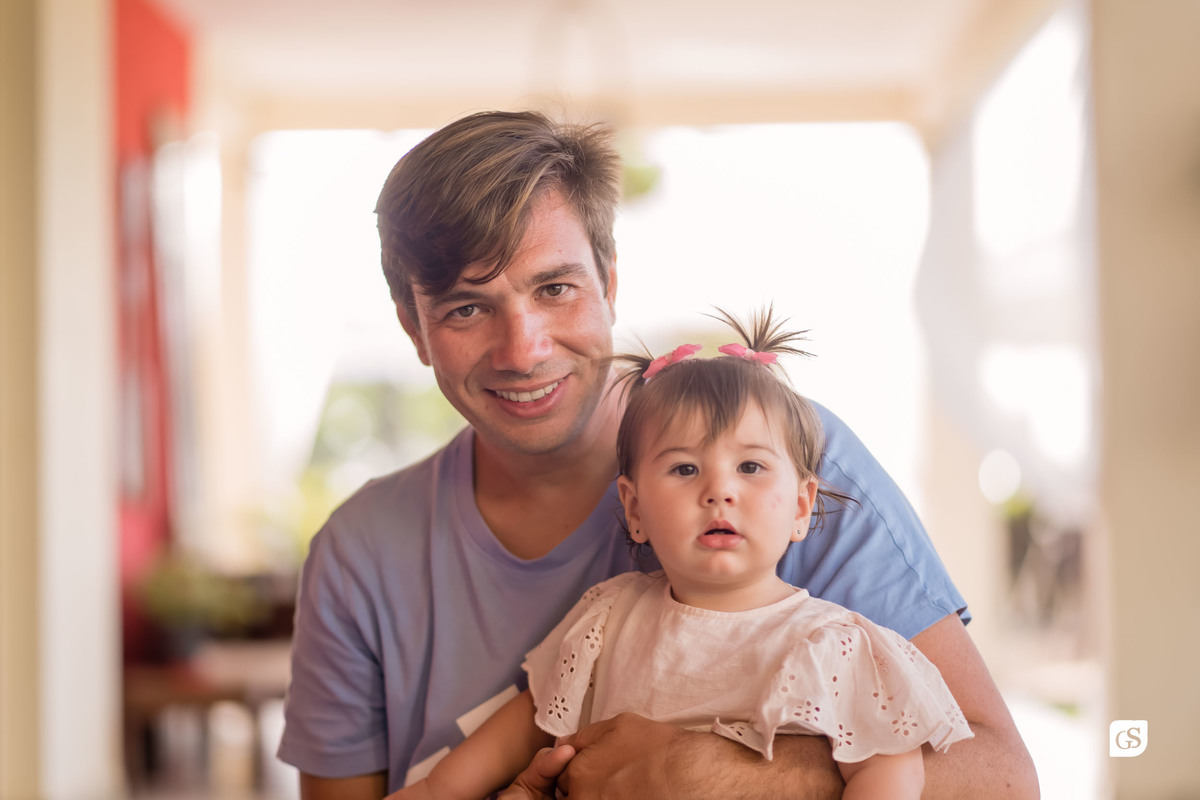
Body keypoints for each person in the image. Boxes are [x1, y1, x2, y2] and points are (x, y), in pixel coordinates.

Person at [276, 109, 1038, 799]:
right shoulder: (360, 555)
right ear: (413, 328)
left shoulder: (787, 464)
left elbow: (1002, 778)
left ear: (609, 281)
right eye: (467, 308)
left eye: (555, 288)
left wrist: (712, 776)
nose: (523, 349)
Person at [393, 310, 975, 800]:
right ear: (635, 508)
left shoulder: (834, 644)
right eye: (684, 468)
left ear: (802, 507)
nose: (719, 490)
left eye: (750, 467)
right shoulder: (610, 617)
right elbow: (531, 718)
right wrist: (433, 791)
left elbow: (890, 764)